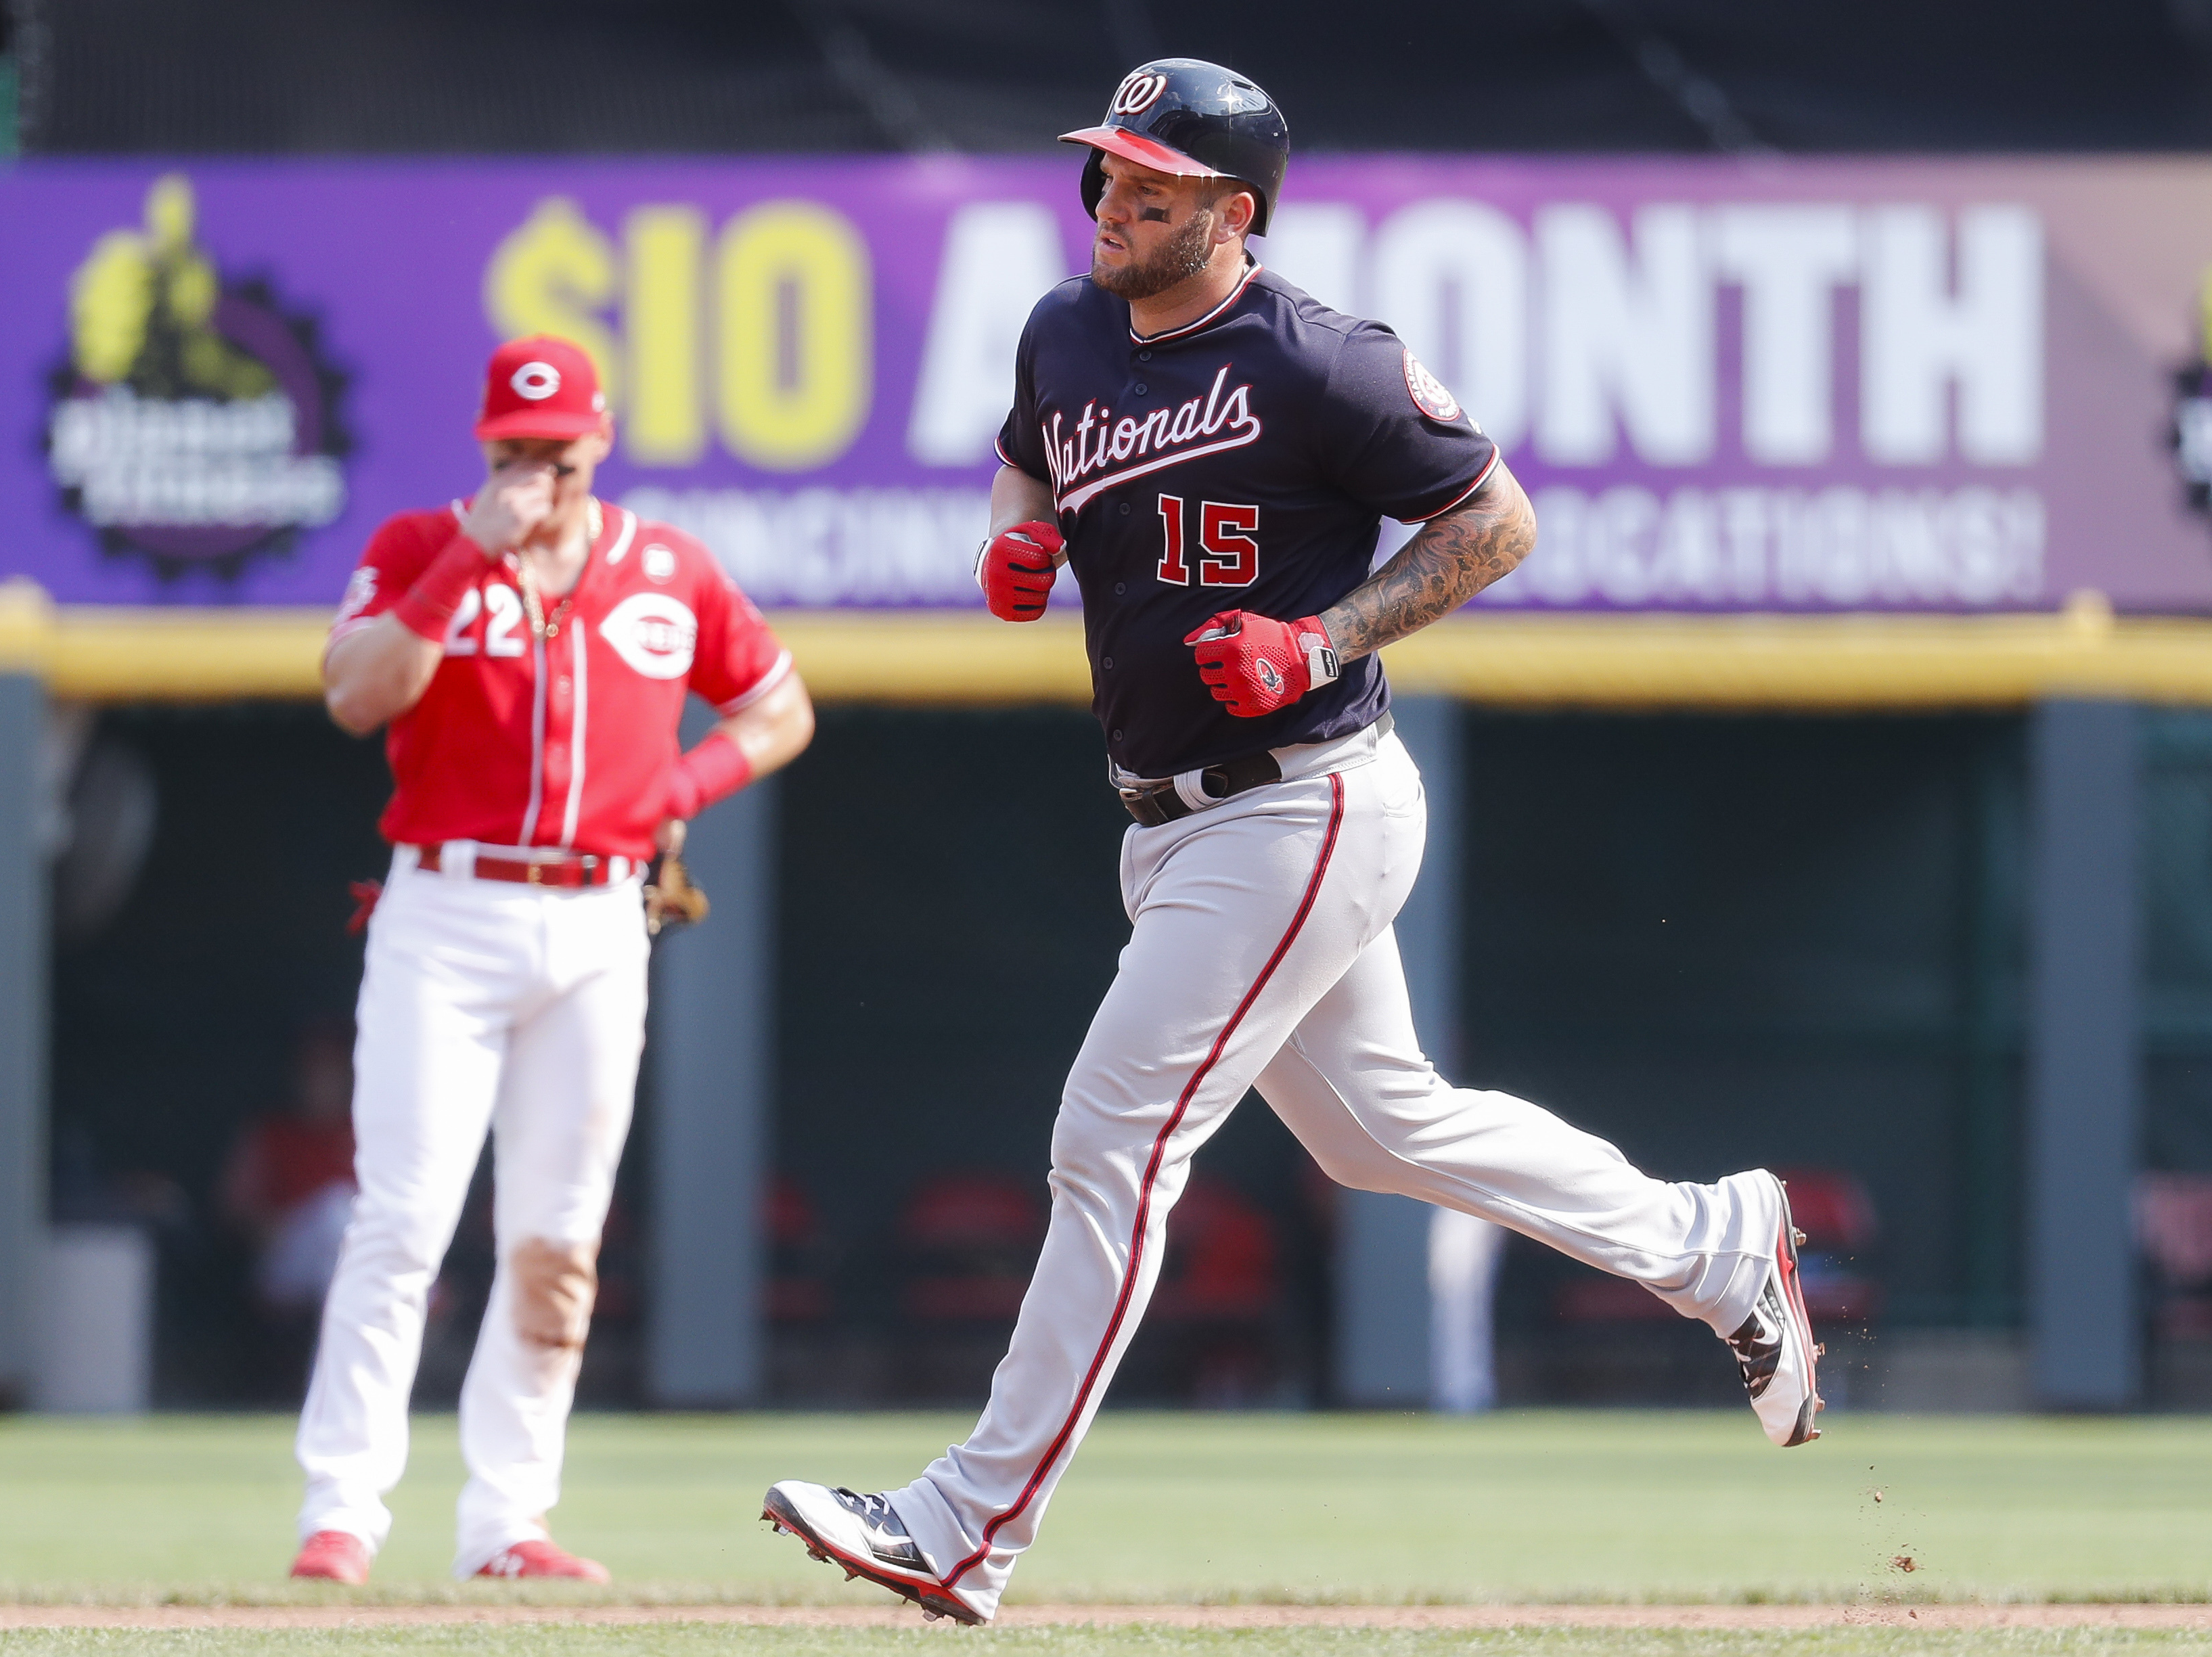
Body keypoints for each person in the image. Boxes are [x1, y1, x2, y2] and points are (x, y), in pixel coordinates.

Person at [761, 58, 1822, 1627]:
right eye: (1105, 174)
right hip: (1167, 814)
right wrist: (1019, 524)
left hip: (1301, 793)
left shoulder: (1318, 359)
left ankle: (961, 1523)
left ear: (1227, 210)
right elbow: (1029, 448)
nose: (1109, 202)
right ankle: (1707, 1238)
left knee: (1109, 1140)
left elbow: (1497, 519)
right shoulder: (1064, 324)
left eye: (1147, 185)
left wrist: (1319, 637)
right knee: (1379, 1130)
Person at [292, 334, 813, 1586]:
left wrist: (681, 785)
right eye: (514, 452)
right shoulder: (421, 545)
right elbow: (354, 694)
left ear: (599, 443)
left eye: (558, 455)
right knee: (403, 1216)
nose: (537, 475)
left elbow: (779, 705)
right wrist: (471, 547)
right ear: (483, 446)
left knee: (556, 1233)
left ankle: (506, 1518)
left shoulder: (664, 568)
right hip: (447, 905)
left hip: (594, 915)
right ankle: (342, 1510)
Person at [222, 1020, 360, 1320]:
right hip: (284, 1262)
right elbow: (234, 1211)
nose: (320, 1079)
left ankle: (333, 1358)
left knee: (338, 1253)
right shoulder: (272, 1132)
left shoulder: (363, 1133)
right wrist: (264, 1226)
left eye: (330, 1071)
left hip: (348, 1256)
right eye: (313, 1070)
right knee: (336, 1208)